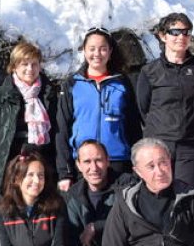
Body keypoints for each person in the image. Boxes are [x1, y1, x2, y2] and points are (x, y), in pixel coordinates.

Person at [55, 27, 142, 191]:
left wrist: (136, 164)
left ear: (110, 52)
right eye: (92, 49)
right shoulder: (72, 84)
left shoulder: (122, 83)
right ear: (84, 50)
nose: (97, 54)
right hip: (84, 163)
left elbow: (133, 127)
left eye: (103, 49)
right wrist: (64, 172)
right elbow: (62, 130)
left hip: (117, 161)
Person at [136, 12, 194, 187]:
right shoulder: (150, 71)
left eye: (186, 32)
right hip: (158, 145)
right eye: (175, 32)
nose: (181, 37)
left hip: (190, 147)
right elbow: (143, 108)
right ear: (163, 36)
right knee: (159, 197)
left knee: (186, 199)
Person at [62, 140, 134, 246]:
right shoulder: (72, 196)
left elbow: (133, 221)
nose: (93, 168)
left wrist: (96, 226)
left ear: (108, 161)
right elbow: (67, 236)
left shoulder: (127, 185)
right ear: (78, 165)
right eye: (87, 162)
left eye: (99, 160)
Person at [0, 39, 58, 193]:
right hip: (10, 167)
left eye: (34, 64)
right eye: (24, 64)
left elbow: (57, 132)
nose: (30, 69)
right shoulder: (0, 96)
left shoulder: (49, 95)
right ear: (14, 66)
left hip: (42, 168)